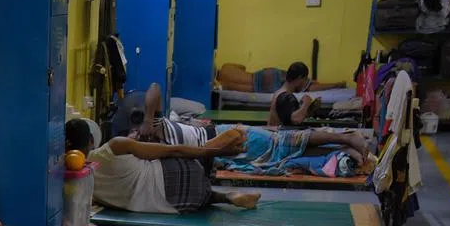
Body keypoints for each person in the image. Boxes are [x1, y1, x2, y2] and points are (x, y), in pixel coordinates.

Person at [125, 84, 369, 167]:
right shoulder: (157, 150)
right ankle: (341, 148)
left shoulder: (156, 126)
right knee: (284, 151)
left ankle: (346, 138)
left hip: (226, 137)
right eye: (132, 137)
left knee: (285, 143)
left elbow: (155, 87)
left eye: (133, 131)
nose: (134, 134)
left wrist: (148, 120)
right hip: (223, 147)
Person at [65, 117, 261, 214]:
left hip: (181, 204)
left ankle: (227, 197)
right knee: (170, 153)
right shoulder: (114, 147)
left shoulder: (72, 179)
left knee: (158, 189)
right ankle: (229, 194)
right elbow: (173, 151)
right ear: (91, 139)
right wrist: (218, 152)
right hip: (185, 175)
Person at [267, 62, 344, 127]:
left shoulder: (279, 92)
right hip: (278, 139)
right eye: (305, 81)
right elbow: (296, 120)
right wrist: (306, 104)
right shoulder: (285, 96)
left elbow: (288, 117)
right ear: (300, 78)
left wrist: (310, 109)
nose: (305, 85)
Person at [218, 61, 346, 95]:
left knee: (253, 85)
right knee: (304, 85)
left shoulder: (224, 82)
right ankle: (335, 85)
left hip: (266, 82)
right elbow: (243, 67)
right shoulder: (226, 68)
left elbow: (225, 88)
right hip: (269, 75)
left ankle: (334, 85)